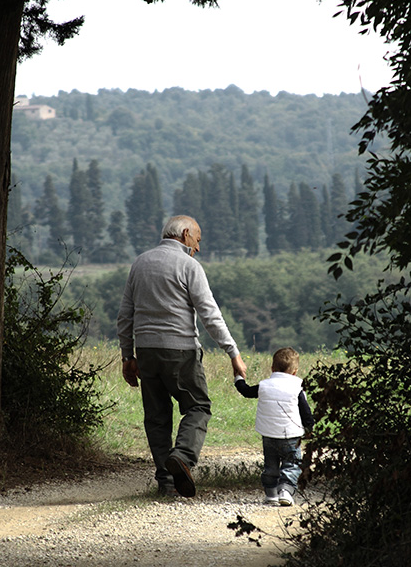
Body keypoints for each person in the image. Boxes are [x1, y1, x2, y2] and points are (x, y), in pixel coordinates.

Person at [117, 214, 247, 498]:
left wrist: (128, 356)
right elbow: (209, 315)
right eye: (197, 240)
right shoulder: (189, 266)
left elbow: (125, 315)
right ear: (186, 233)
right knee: (198, 406)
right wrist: (233, 352)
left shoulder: (139, 263)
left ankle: (166, 483)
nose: (197, 247)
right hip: (181, 351)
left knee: (157, 417)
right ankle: (183, 457)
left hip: (146, 352)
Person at [234, 346, 314, 506]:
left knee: (270, 466)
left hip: (268, 435)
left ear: (272, 368)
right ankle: (285, 491)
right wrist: (309, 428)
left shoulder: (264, 385)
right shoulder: (297, 387)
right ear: (294, 372)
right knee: (291, 465)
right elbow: (305, 411)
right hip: (291, 436)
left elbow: (246, 391)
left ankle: (270, 494)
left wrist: (238, 377)